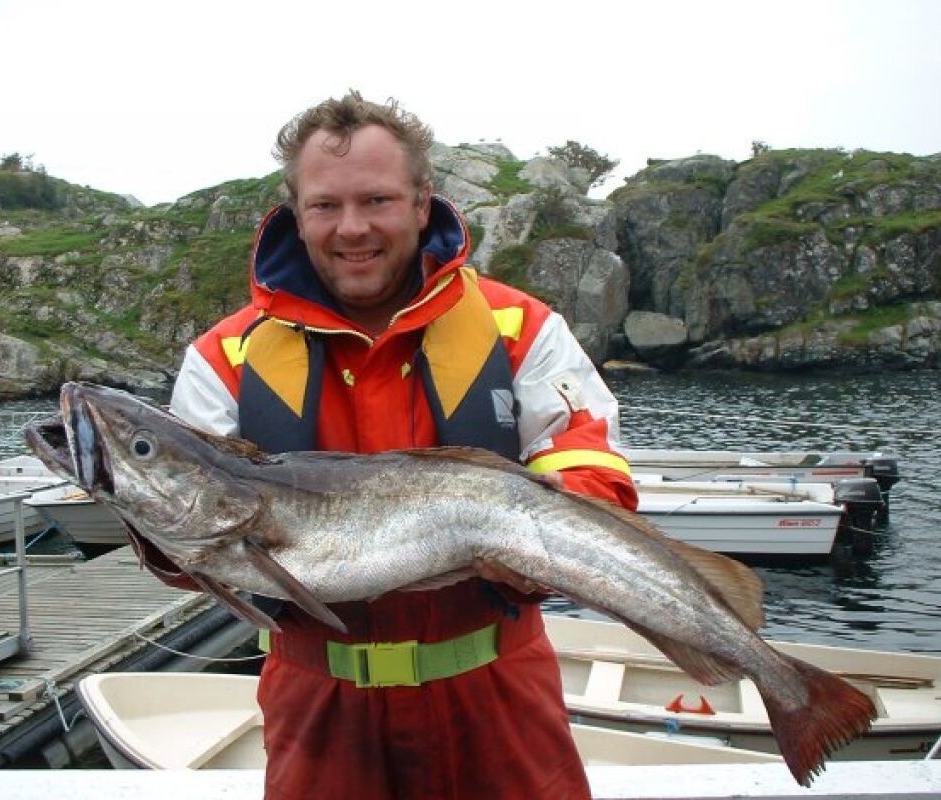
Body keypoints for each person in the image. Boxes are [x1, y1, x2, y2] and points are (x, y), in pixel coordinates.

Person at [130, 90, 638, 799]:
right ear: (295, 213)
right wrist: (135, 504)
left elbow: (590, 458)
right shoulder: (223, 359)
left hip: (498, 697)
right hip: (318, 709)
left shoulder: (521, 327)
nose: (352, 228)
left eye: (377, 200)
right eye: (325, 205)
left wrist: (549, 532)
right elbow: (193, 544)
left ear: (422, 203)